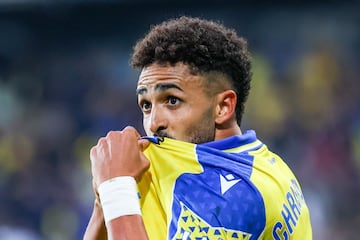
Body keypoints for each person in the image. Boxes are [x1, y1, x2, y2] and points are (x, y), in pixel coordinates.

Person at [84, 16, 312, 239]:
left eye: (172, 101)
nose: (153, 123)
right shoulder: (253, 163)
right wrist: (102, 202)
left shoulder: (237, 196)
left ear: (223, 107)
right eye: (146, 105)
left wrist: (117, 187)